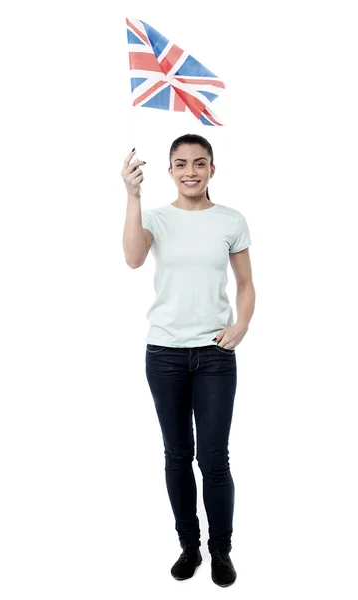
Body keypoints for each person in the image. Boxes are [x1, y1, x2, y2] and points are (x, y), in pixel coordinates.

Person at [121, 133, 255, 587]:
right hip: (164, 354)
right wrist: (133, 196)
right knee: (177, 455)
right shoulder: (156, 218)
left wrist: (241, 325)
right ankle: (189, 546)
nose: (191, 171)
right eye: (181, 164)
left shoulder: (231, 220)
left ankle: (221, 551)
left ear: (213, 169)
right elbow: (134, 259)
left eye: (200, 163)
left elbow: (246, 285)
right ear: (170, 171)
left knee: (214, 459)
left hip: (215, 356)